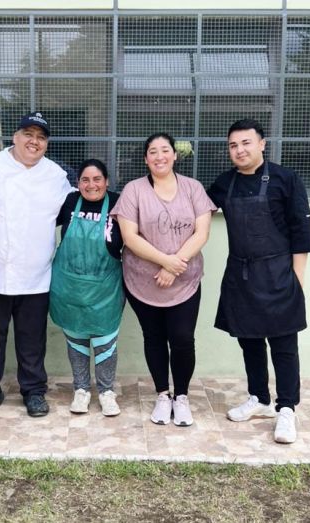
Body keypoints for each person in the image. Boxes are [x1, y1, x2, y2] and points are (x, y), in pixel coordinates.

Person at [208, 119, 310, 444]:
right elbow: (195, 209)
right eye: (233, 145)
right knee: (250, 342)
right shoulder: (224, 183)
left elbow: (301, 232)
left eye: (246, 143)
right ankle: (259, 398)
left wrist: (296, 281)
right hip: (240, 275)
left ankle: (287, 409)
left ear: (262, 144)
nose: (239, 150)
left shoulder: (286, 179)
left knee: (284, 346)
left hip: (279, 274)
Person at [0, 112, 72, 418]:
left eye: (41, 137)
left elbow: (77, 206)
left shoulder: (55, 176)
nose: (34, 142)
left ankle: (34, 391)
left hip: (36, 278)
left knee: (32, 341)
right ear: (15, 136)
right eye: (28, 134)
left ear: (46, 144)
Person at [111, 133, 215, 427]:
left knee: (182, 338)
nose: (159, 156)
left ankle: (181, 396)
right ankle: (162, 394)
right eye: (153, 152)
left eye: (165, 150)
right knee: (154, 338)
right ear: (146, 159)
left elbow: (202, 233)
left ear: (174, 155)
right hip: (143, 281)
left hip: (184, 280)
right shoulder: (133, 190)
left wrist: (173, 265)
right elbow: (130, 237)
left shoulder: (193, 188)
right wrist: (164, 261)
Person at [50, 159, 125, 416]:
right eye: (85, 180)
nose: (91, 185)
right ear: (78, 183)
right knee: (77, 341)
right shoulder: (70, 202)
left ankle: (106, 392)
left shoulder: (118, 203)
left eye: (97, 179)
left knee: (105, 342)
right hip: (69, 286)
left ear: (106, 181)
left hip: (106, 287)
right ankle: (81, 390)